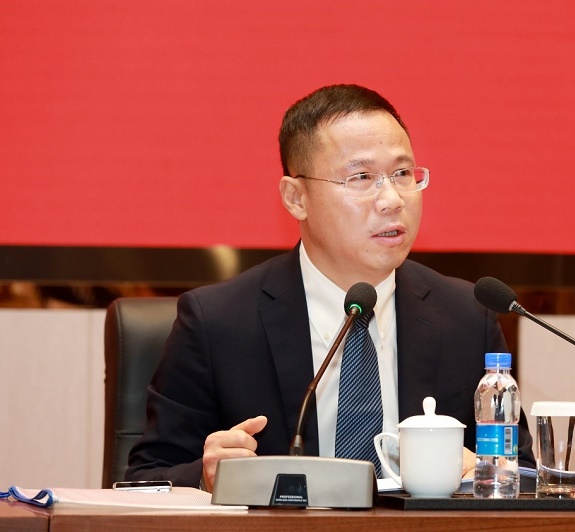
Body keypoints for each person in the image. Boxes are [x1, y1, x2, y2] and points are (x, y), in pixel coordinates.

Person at [126, 84, 534, 491]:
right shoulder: (217, 322)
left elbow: (524, 475)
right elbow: (146, 478)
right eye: (361, 177)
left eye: (402, 174)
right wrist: (204, 475)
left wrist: (487, 471)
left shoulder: (466, 316)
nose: (392, 199)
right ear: (296, 198)